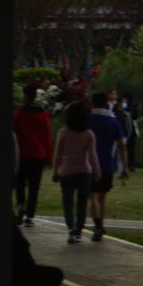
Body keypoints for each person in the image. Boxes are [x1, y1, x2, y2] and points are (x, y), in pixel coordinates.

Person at [52, 99, 100, 244]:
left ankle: (71, 229)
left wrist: (55, 171)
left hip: (66, 172)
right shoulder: (89, 134)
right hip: (84, 172)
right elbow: (92, 155)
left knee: (67, 202)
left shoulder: (63, 133)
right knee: (81, 204)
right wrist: (97, 172)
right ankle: (78, 230)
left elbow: (58, 154)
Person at [87, 90, 128, 241]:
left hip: (90, 164)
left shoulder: (88, 120)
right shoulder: (113, 122)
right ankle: (101, 225)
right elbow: (122, 146)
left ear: (92, 103)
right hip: (107, 164)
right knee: (102, 197)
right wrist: (124, 167)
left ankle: (97, 225)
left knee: (92, 196)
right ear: (106, 103)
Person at [11, 83, 53, 226]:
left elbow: (14, 132)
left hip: (22, 154)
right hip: (38, 155)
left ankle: (20, 208)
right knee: (34, 187)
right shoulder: (42, 113)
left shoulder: (19, 113)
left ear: (25, 96)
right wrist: (48, 155)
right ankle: (30, 216)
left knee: (20, 184)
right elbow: (47, 135)